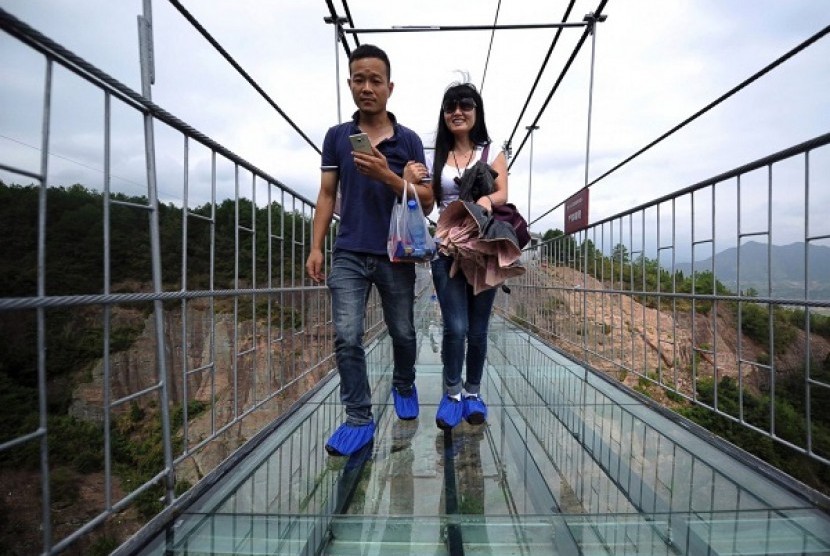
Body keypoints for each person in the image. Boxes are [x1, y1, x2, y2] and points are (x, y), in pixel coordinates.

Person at [306, 44, 434, 456]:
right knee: (346, 336)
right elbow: (327, 194)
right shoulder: (337, 137)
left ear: (389, 87)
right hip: (348, 251)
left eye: (375, 80)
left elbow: (427, 201)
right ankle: (358, 417)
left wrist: (388, 175)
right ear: (349, 83)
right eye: (358, 79)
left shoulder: (409, 140)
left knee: (403, 331)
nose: (366, 87)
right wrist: (316, 247)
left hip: (397, 253)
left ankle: (403, 382)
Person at [407, 82, 508, 430]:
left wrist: (486, 200)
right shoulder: (436, 157)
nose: (457, 111)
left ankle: (472, 393)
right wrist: (412, 183)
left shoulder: (491, 152)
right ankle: (451, 394)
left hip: (483, 250)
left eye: (465, 105)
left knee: (478, 330)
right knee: (456, 326)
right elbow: (430, 204)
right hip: (447, 247)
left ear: (476, 112)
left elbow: (503, 193)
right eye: (451, 106)